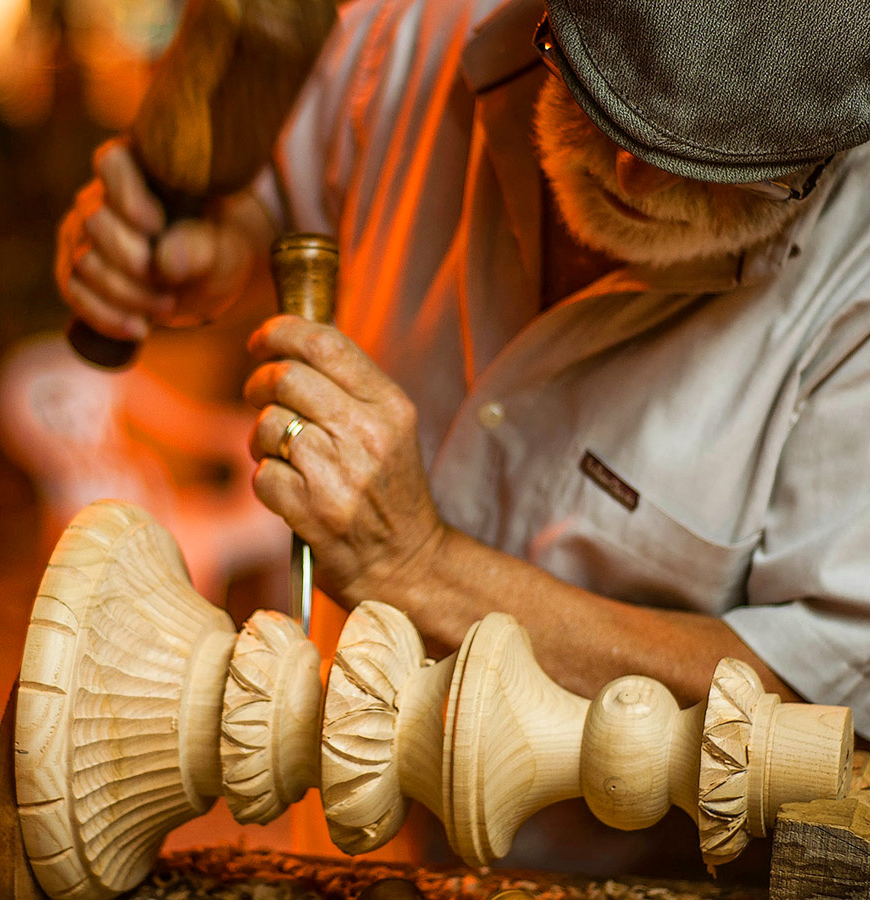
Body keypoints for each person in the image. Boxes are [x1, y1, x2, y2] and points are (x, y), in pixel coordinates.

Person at [58, 0, 870, 878]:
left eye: (712, 166)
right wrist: (214, 242)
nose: (631, 177)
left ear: (826, 158)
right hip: (335, 856)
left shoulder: (854, 292)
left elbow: (816, 702)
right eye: (597, 101)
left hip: (608, 884)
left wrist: (417, 565)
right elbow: (271, 188)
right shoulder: (419, 32)